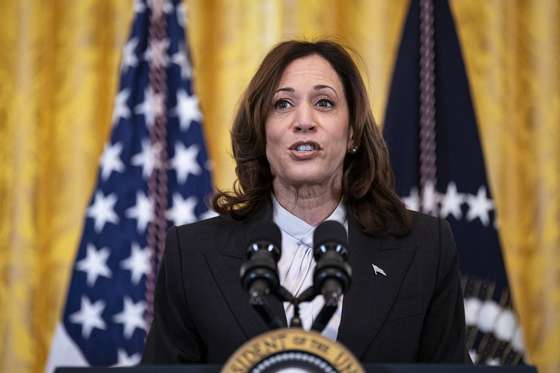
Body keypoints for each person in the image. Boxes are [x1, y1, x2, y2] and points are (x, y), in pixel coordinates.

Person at [141, 40, 470, 364]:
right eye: (282, 104)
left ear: (353, 131)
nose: (304, 121)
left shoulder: (425, 247)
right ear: (261, 130)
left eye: (324, 103)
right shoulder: (193, 255)